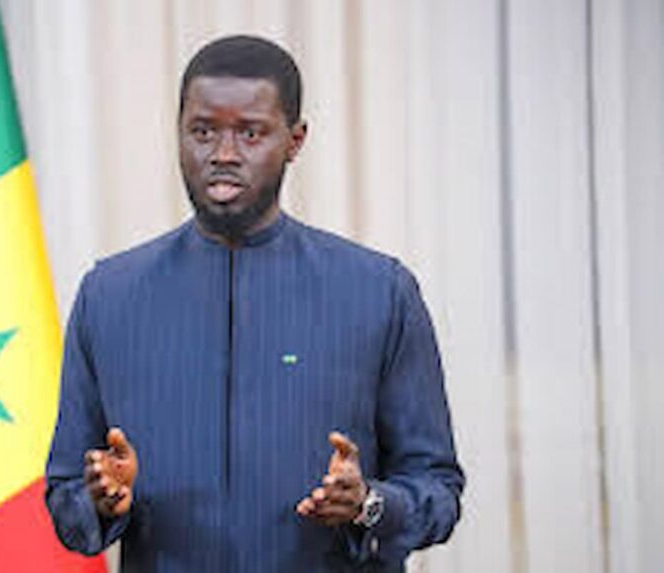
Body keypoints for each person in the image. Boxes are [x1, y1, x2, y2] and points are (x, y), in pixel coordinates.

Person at [45, 35, 464, 573]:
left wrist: (367, 504)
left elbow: (437, 488)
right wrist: (100, 500)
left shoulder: (380, 292)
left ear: (295, 140)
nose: (223, 154)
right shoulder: (108, 296)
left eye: (250, 133)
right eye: (203, 131)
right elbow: (65, 497)